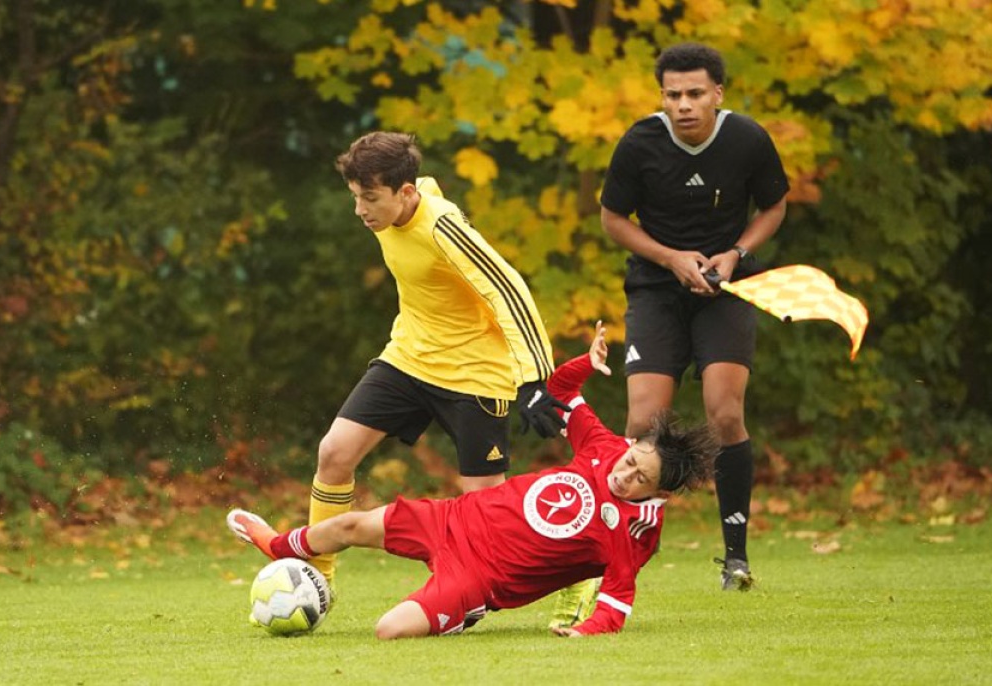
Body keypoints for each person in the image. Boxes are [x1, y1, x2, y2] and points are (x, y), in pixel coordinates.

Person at [227, 323, 717, 639]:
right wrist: (585, 365)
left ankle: (464, 615)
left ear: (659, 493)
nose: (624, 472)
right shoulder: (605, 448)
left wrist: (587, 632)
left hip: (479, 578)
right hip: (453, 519)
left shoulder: (637, 530)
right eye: (632, 459)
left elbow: (617, 597)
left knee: (388, 631)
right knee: (348, 527)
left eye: (639, 478)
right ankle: (280, 546)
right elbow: (561, 392)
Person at [300, 132, 568, 587]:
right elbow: (422, 179)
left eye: (369, 198)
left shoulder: (444, 227)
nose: (360, 211)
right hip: (410, 358)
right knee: (334, 453)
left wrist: (536, 378)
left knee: (491, 515)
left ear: (404, 193)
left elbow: (508, 289)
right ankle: (315, 580)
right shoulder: (396, 205)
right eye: (354, 197)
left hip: (475, 376)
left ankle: (571, 572)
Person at [599, 43, 789, 590]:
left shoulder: (747, 139)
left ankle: (736, 558)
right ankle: (612, 556)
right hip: (657, 291)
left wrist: (736, 254)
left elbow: (774, 205)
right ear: (662, 96)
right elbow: (613, 218)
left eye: (695, 94)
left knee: (724, 413)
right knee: (641, 423)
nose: (683, 104)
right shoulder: (640, 142)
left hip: (726, 292)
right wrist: (671, 259)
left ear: (717, 94)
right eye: (673, 94)